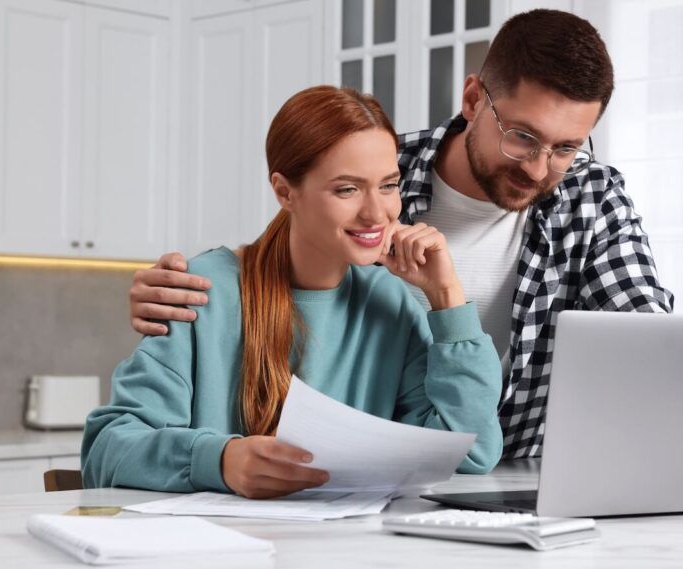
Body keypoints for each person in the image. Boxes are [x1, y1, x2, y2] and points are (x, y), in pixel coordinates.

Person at [123, 10, 683, 499]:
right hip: (370, 480)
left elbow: (646, 343)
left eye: (569, 146)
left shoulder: (590, 195)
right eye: (523, 136)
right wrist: (189, 289)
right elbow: (286, 262)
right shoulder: (383, 163)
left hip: (504, 469)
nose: (543, 167)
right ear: (472, 101)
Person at [82, 86, 504, 499]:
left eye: (388, 185)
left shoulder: (390, 302)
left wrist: (447, 296)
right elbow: (106, 450)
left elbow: (469, 450)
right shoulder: (202, 290)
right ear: (285, 191)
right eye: (347, 189)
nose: (377, 212)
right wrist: (220, 460)